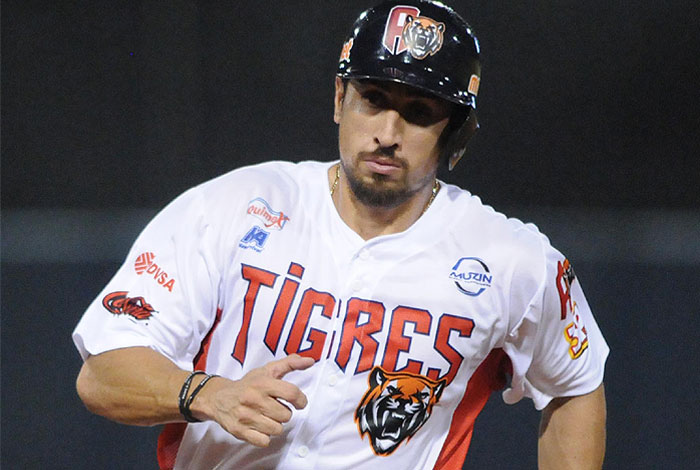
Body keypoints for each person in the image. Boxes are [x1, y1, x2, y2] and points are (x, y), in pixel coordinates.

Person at [74, 1, 608, 469]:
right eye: (372, 99)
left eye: (419, 113)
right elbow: (102, 373)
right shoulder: (237, 206)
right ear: (339, 98)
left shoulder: (512, 260)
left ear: (457, 133)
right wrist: (206, 393)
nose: (387, 133)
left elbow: (574, 386)